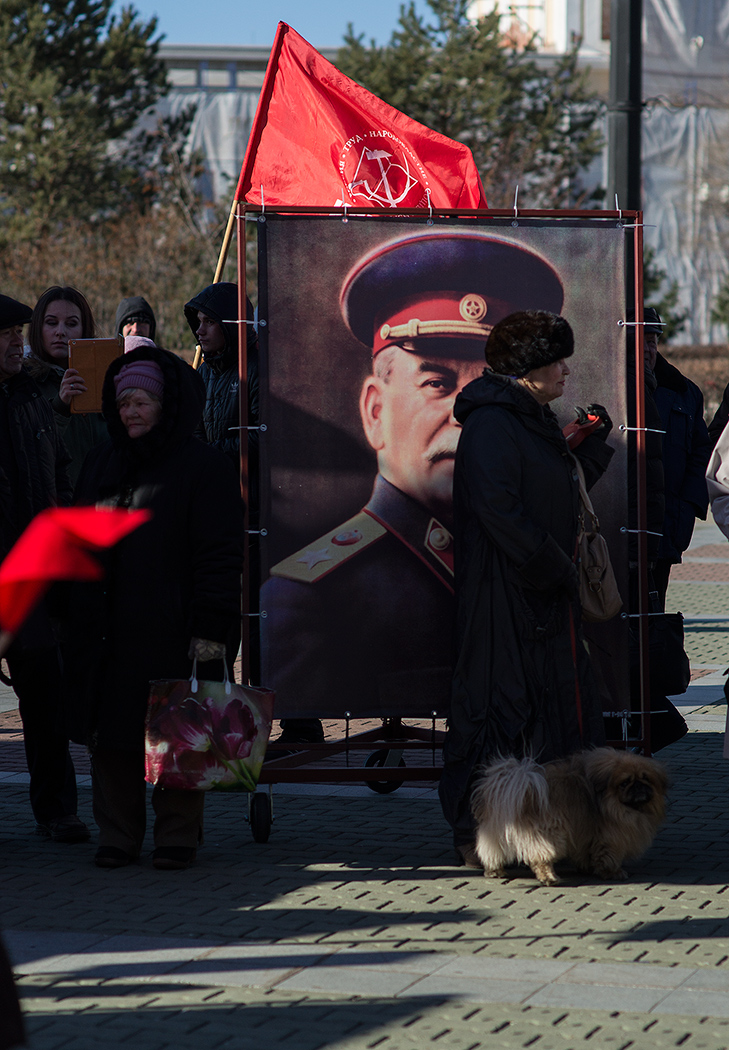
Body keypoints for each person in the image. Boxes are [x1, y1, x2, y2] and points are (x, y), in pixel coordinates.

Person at [261, 233, 567, 721]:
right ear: (375, 412)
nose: (466, 414)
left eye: (490, 386)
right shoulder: (310, 599)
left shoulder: (531, 542)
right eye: (437, 383)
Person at [438, 310, 614, 866]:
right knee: (497, 713)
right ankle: (478, 838)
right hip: (502, 600)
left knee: (546, 713)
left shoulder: (530, 417)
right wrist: (555, 568)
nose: (566, 370)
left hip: (538, 598)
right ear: (527, 368)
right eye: (557, 360)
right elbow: (498, 510)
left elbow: (555, 489)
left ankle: (549, 834)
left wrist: (592, 445)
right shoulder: (493, 423)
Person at [62, 346, 244, 870]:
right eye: (123, 403)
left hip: (175, 626)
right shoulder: (102, 460)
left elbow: (219, 554)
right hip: (108, 629)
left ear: (164, 405)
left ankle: (177, 836)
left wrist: (210, 628)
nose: (131, 412)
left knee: (180, 731)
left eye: (141, 401)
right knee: (111, 738)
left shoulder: (202, 466)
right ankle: (118, 834)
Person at [0, 293, 89, 844]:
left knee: (45, 699)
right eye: (5, 335)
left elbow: (58, 471)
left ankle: (57, 811)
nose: (16, 342)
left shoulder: (34, 396)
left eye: (17, 332)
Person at [647, 307, 710, 604]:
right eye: (637, 341)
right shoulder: (609, 389)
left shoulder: (685, 392)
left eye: (651, 341)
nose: (645, 349)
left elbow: (701, 453)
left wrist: (686, 510)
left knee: (655, 611)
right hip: (617, 530)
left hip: (667, 524)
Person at [26, 286, 108, 489]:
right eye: (51, 323)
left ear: (84, 329)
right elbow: (29, 451)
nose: (60, 332)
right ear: (37, 327)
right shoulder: (22, 381)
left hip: (100, 499)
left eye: (71, 324)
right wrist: (60, 407)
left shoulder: (104, 376)